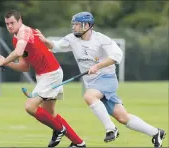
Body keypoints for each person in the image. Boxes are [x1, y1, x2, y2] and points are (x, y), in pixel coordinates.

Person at [34, 12, 166, 147]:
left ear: (87, 25)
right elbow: (55, 46)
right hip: (92, 82)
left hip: (106, 78)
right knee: (122, 117)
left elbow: (117, 56)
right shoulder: (71, 39)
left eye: (78, 25)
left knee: (89, 96)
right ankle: (156, 133)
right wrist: (46, 41)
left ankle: (111, 129)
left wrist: (98, 66)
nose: (74, 27)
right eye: (73, 24)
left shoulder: (101, 40)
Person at [0, 10, 86, 148]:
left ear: (20, 21)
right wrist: (6, 63)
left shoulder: (24, 31)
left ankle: (59, 129)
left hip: (51, 74)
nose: (9, 26)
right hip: (47, 75)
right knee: (51, 114)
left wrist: (4, 61)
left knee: (30, 106)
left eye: (12, 22)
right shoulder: (17, 39)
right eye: (7, 23)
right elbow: (24, 66)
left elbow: (18, 52)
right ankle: (79, 143)